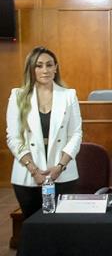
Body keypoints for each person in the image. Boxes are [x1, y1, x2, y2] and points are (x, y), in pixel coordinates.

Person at [6, 46, 82, 218]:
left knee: (62, 229)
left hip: (62, 174)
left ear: (56, 67)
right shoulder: (18, 96)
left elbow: (76, 134)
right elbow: (13, 137)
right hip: (27, 174)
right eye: (39, 65)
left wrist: (60, 167)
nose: (45, 70)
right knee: (34, 228)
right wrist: (33, 170)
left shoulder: (69, 95)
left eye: (49, 65)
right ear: (31, 69)